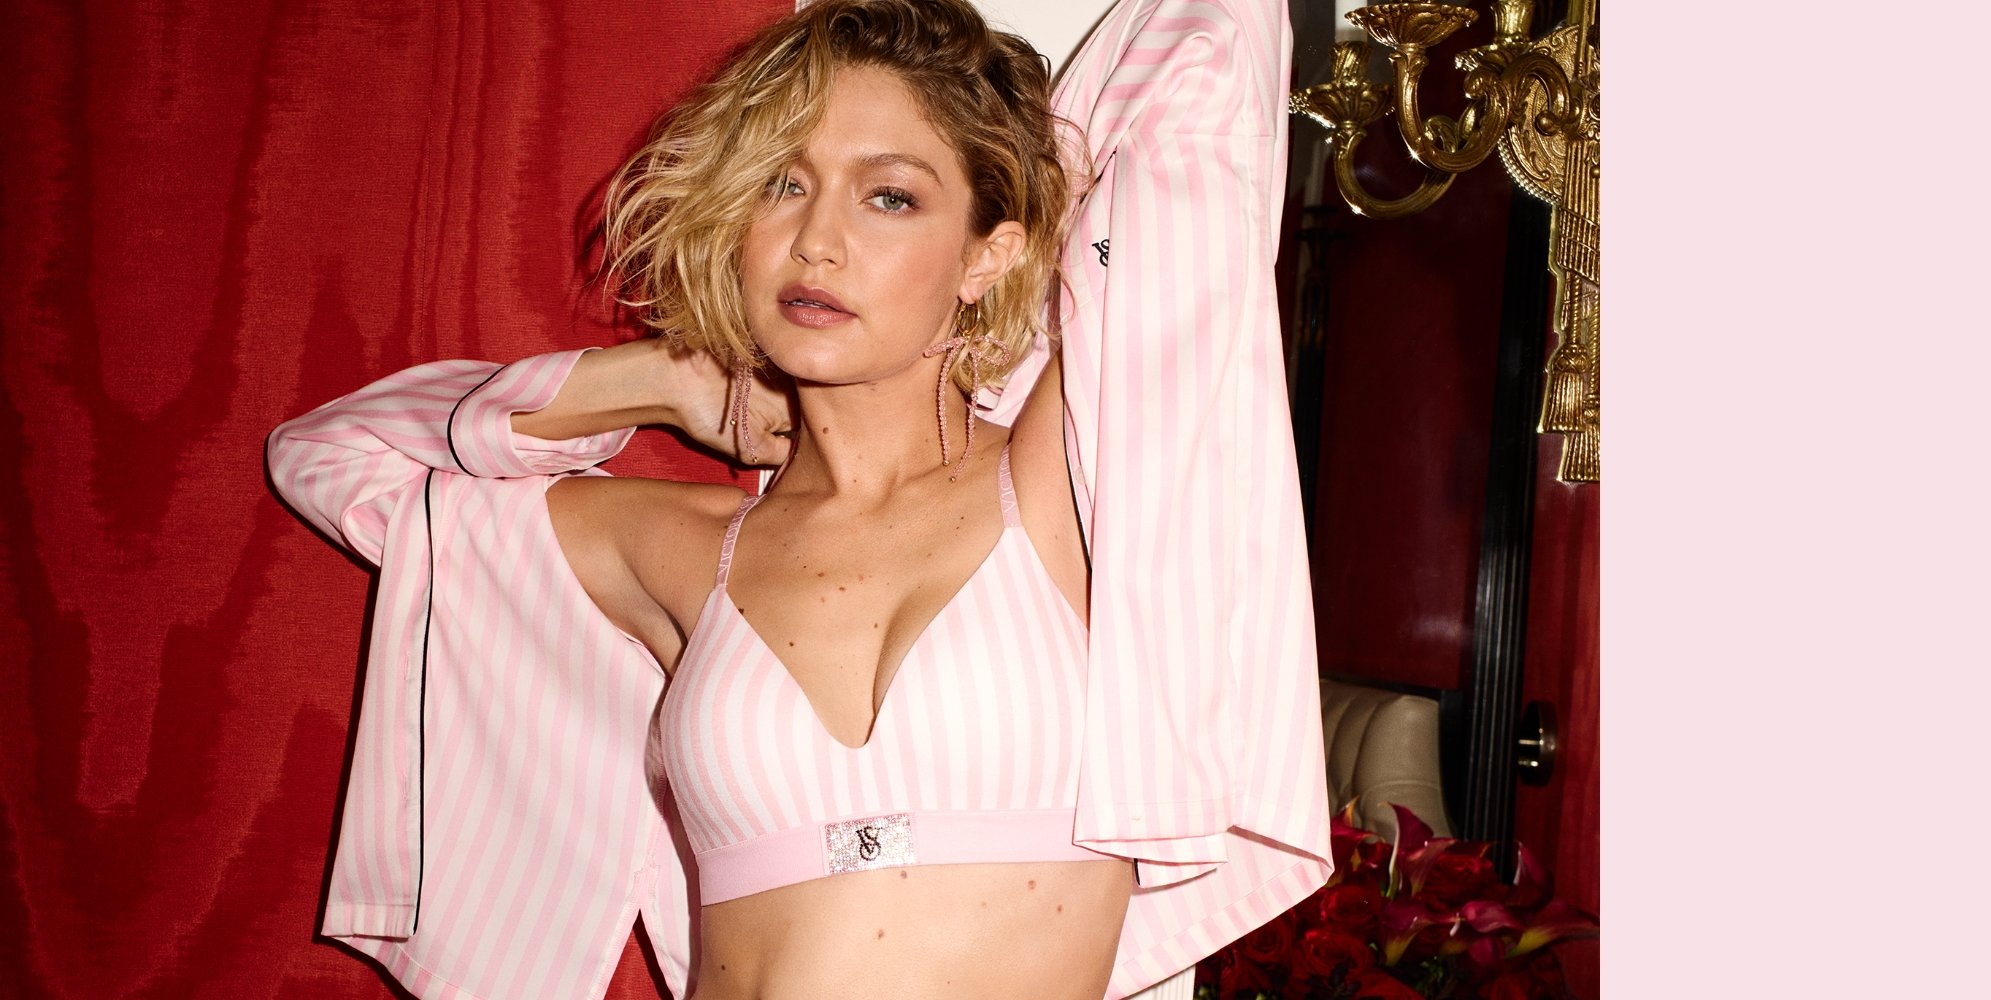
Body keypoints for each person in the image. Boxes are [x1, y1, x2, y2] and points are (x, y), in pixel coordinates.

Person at [265, 1, 1327, 997]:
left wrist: (1036, 198)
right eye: (782, 182)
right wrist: (664, 382)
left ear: (988, 252)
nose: (818, 239)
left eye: (889, 195)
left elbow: (1206, 44)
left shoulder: (1065, 479)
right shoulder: (680, 549)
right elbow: (327, 458)